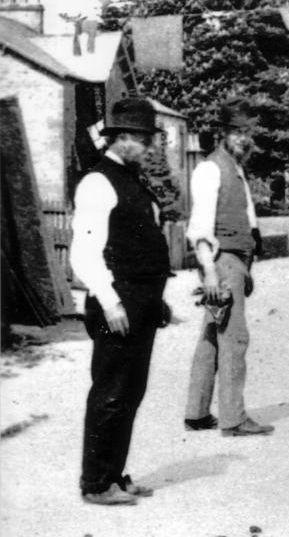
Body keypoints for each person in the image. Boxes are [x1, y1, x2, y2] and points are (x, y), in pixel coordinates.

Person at [70, 97, 170, 505]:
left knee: (130, 392)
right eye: (145, 140)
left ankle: (114, 475)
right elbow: (84, 253)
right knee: (111, 392)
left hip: (140, 302)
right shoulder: (98, 182)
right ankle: (95, 483)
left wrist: (155, 300)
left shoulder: (131, 180)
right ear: (124, 138)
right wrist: (111, 302)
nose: (150, 148)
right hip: (117, 303)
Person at [184, 96, 275, 437]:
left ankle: (197, 412)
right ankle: (234, 419)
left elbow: (247, 217)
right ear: (222, 132)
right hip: (222, 262)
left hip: (235, 262)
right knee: (234, 338)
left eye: (247, 131)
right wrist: (210, 272)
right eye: (237, 131)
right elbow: (199, 228)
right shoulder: (210, 169)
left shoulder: (235, 168)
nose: (243, 137)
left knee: (212, 334)